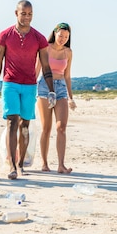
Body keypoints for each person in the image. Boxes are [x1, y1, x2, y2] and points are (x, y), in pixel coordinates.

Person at [0, 0, 56, 180]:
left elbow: (46, 66)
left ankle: (20, 165)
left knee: (25, 125)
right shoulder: (5, 35)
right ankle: (12, 165)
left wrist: (51, 91)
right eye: (23, 13)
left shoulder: (39, 38)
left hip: (29, 85)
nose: (27, 17)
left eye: (30, 14)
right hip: (10, 83)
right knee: (12, 121)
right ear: (16, 13)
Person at [36, 22, 76, 174]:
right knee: (46, 128)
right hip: (45, 86)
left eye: (66, 37)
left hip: (60, 89)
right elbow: (37, 70)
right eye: (61, 36)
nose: (63, 39)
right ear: (55, 33)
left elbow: (67, 75)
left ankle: (61, 165)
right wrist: (30, 89)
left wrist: (71, 97)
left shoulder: (68, 52)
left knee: (61, 127)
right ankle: (44, 163)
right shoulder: (45, 48)